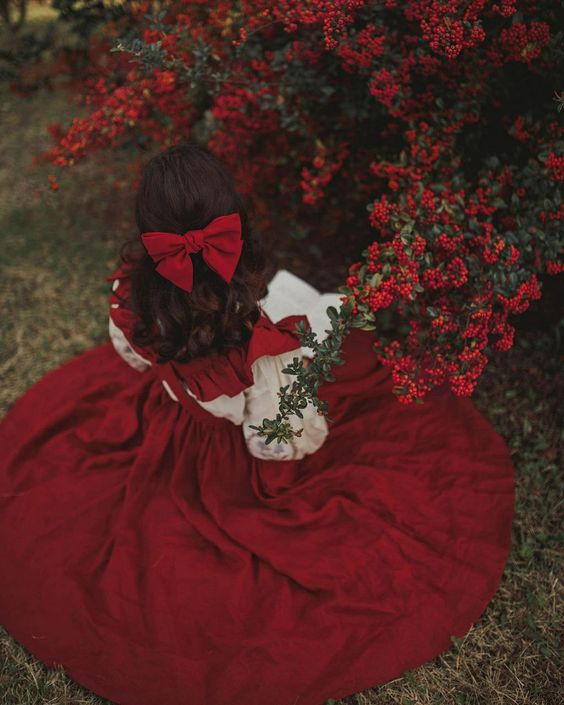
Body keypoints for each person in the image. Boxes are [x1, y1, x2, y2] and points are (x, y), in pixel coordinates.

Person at [0, 142, 515, 705]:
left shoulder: (132, 297)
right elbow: (274, 439)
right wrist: (306, 427)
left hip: (173, 412)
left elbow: (132, 355)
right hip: (223, 462)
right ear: (235, 225)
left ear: (149, 239)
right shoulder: (262, 351)